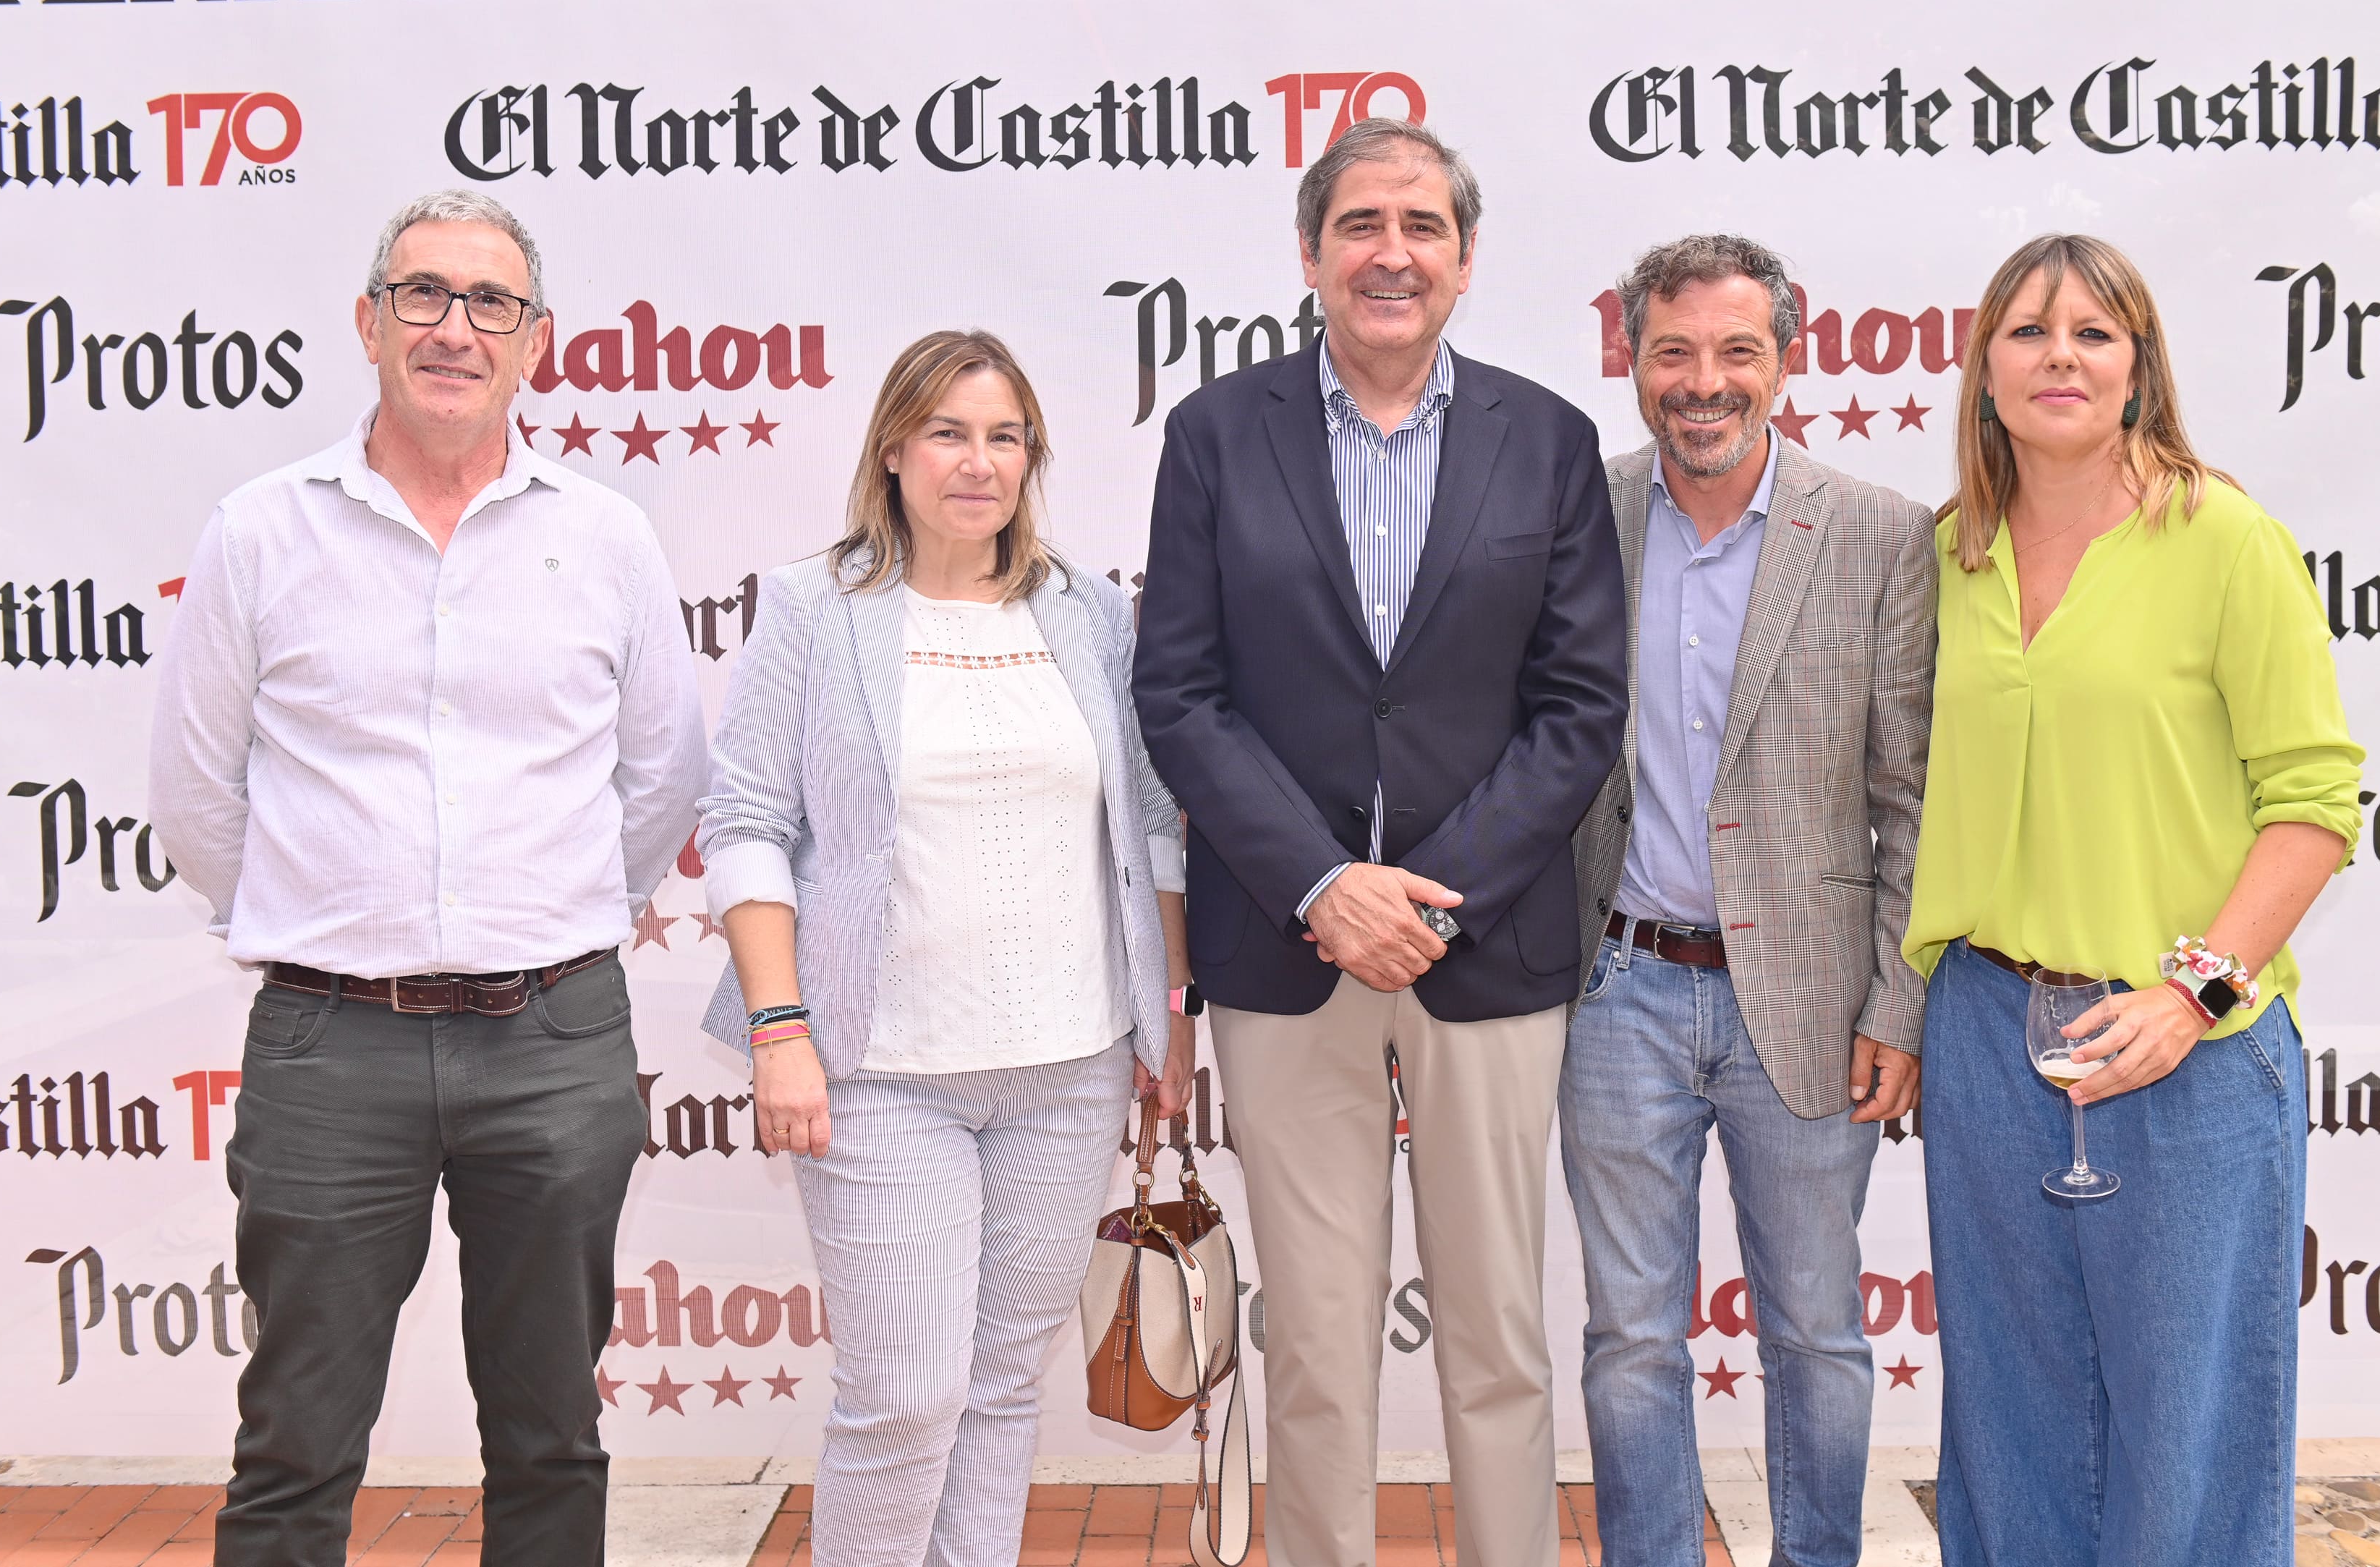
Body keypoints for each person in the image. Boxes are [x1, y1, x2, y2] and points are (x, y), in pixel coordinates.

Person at [148, 188, 707, 1566]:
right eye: (425, 294)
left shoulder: (609, 538)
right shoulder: (261, 532)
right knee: (292, 1446)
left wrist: (552, 922)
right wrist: (330, 929)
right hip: (330, 1043)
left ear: (537, 345)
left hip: (555, 1037)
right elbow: (194, 797)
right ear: (369, 320)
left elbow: (662, 783)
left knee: (551, 1440)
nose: (456, 328)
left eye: (491, 305)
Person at [1132, 117, 1627, 1567]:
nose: (1390, 252)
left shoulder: (1544, 441)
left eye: (1421, 224)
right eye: (1360, 224)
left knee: (1497, 1338)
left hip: (1486, 952)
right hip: (1288, 956)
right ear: (1310, 253)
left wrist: (1433, 899)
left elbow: (1578, 705)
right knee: (1318, 1342)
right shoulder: (1219, 435)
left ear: (1464, 258)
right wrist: (1321, 884)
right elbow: (1181, 688)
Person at [697, 329, 1194, 1567]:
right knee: (903, 1397)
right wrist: (780, 1031)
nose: (979, 462)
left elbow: (1144, 821)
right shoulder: (816, 606)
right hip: (880, 1069)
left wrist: (1165, 1015)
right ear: (894, 449)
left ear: (1034, 457)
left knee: (999, 1387)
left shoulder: (1082, 608)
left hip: (1070, 1068)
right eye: (949, 432)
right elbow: (748, 820)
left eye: (1005, 435)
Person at [1902, 233, 2362, 1567]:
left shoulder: (2223, 538)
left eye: (2094, 333)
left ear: (2139, 367)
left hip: (2190, 1050)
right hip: (1989, 1037)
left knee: (2191, 1433)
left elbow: (2314, 799)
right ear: (1984, 372)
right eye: (2030, 331)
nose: (2061, 356)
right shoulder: (1950, 556)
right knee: (2010, 1422)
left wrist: (2193, 990)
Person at [1562, 234, 1935, 1567]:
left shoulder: (1883, 535)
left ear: (1789, 357)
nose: (1702, 382)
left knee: (1819, 1332)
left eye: (1735, 351)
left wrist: (1897, 1000)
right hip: (1617, 992)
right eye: (1674, 352)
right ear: (1632, 360)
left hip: (1815, 1001)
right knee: (1628, 1337)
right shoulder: (1577, 514)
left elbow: (1913, 793)